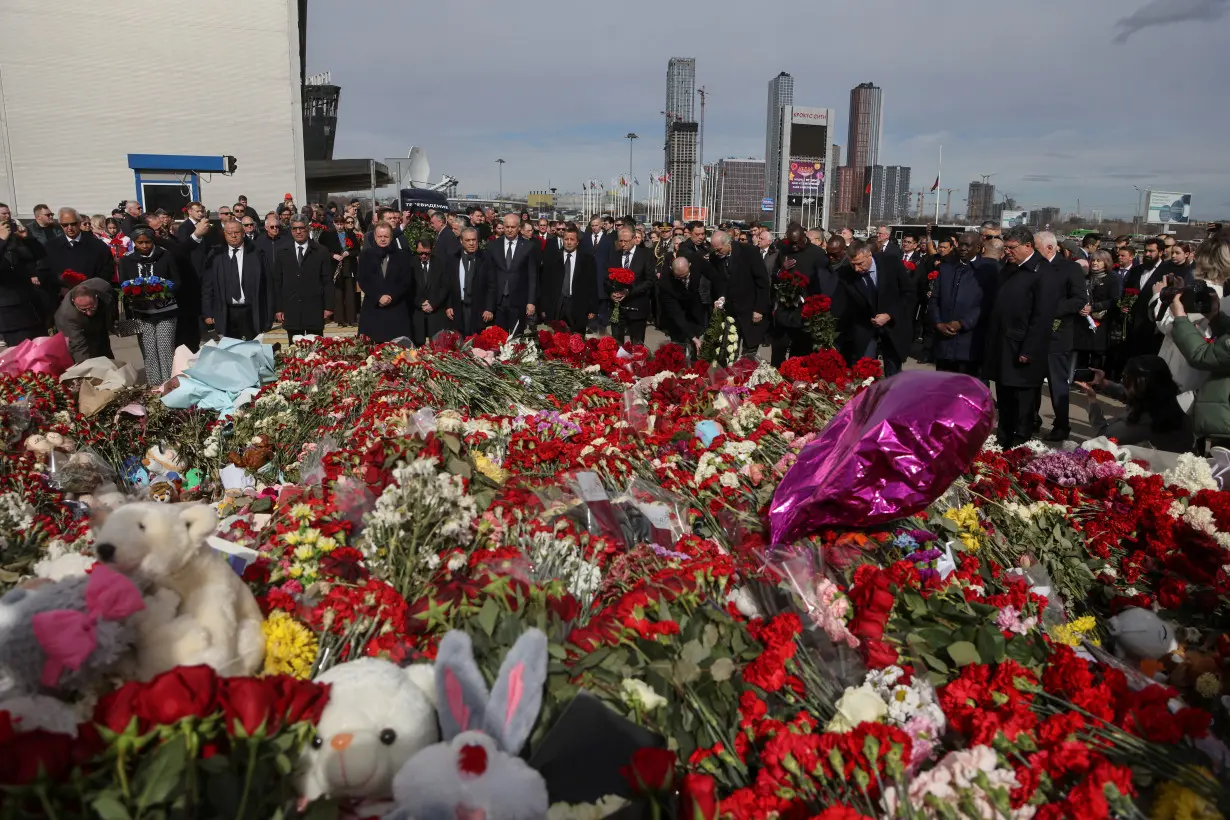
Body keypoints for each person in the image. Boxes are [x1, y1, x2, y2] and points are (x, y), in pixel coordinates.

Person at [981, 227, 1057, 448]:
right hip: (1003, 344)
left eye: (1012, 248)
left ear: (1028, 246)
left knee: (1023, 402)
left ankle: (1020, 444)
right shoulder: (1009, 268)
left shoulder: (1043, 273)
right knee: (1004, 398)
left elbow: (1042, 317)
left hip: (1023, 348)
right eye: (1006, 248)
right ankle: (1003, 440)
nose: (1008, 252)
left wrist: (1029, 350)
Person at [1034, 231, 1089, 441]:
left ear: (1050, 248)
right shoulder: (1034, 266)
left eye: (1036, 247)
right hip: (1034, 333)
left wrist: (1049, 309)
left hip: (1057, 334)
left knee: (1057, 383)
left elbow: (1079, 300)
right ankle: (1032, 419)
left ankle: (1061, 425)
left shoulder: (1069, 268)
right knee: (1032, 381)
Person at [1076, 358, 1192, 452]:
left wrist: (1092, 401)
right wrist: (1103, 383)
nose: (1122, 381)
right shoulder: (1167, 401)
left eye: (1126, 379)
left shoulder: (1143, 423)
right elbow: (1129, 394)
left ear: (1141, 386)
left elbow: (1103, 436)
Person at [837, 240, 911, 375]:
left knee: (893, 373)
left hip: (892, 326)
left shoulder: (891, 263)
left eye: (860, 264)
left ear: (869, 254)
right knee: (864, 372)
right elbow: (843, 305)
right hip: (865, 328)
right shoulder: (845, 274)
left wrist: (889, 314)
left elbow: (907, 293)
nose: (857, 269)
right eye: (853, 265)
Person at [928, 232, 993, 376]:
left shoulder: (987, 271)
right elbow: (934, 299)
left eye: (967, 245)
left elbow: (986, 304)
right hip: (944, 341)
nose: (963, 248)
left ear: (978, 247)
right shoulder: (946, 268)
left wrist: (963, 323)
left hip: (969, 343)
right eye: (961, 244)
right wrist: (938, 322)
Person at [119, 228, 178, 385]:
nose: (144, 245)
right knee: (149, 351)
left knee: (165, 349)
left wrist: (163, 289)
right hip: (141, 313)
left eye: (148, 242)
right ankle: (155, 386)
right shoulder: (126, 260)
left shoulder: (165, 256)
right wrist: (132, 292)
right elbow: (123, 284)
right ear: (134, 243)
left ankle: (169, 385)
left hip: (165, 311)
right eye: (140, 242)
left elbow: (177, 281)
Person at [202, 219, 270, 341]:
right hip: (226, 311)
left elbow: (268, 284)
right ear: (224, 234)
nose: (233, 236)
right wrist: (208, 312)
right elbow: (208, 286)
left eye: (237, 232)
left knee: (251, 350)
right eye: (229, 233)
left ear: (243, 232)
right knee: (229, 351)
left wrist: (269, 312)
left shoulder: (257, 253)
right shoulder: (215, 255)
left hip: (250, 309)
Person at [272, 215, 333, 339]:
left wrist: (329, 306)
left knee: (316, 351)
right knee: (294, 352)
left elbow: (327, 281)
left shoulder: (321, 251)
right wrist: (278, 308)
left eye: (301, 228)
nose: (298, 232)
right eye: (294, 229)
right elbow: (277, 282)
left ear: (308, 228)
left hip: (314, 307)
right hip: (291, 308)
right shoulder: (282, 251)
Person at [709, 230, 769, 353]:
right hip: (730, 310)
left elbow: (762, 282)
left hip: (750, 309)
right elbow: (719, 281)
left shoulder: (749, 252)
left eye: (719, 249)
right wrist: (720, 297)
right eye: (714, 250)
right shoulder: (715, 257)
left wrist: (759, 309)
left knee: (749, 350)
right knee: (729, 350)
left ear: (728, 243)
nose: (717, 253)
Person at [356, 223, 414, 344]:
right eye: (380, 236)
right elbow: (363, 280)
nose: (382, 239)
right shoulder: (366, 255)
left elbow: (406, 280)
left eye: (386, 236)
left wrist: (390, 297)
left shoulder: (403, 255)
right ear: (375, 237)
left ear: (391, 237)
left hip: (396, 308)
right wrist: (378, 297)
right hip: (373, 307)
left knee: (398, 352)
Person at [539, 223, 597, 333]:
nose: (569, 242)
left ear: (577, 241)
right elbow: (545, 284)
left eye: (572, 239)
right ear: (562, 240)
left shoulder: (587, 260)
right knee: (556, 340)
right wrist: (543, 307)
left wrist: (592, 308)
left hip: (578, 304)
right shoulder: (553, 258)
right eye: (566, 239)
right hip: (557, 304)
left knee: (577, 340)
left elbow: (592, 284)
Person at [485, 214, 538, 334]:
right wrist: (489, 305)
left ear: (519, 228)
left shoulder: (528, 247)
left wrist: (531, 302)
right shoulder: (494, 245)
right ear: (503, 227)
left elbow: (532, 277)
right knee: (498, 338)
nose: (509, 230)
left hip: (518, 300)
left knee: (516, 338)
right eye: (507, 226)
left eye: (513, 227)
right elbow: (490, 276)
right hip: (499, 300)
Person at [0, 216, 47, 346]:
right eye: (2, 216)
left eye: (8, 215)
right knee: (22, 356)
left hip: (31, 306)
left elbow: (39, 254)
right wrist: (1, 240)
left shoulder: (14, 242)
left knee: (43, 351)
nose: (6, 219)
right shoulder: (3, 241)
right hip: (11, 313)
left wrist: (28, 238)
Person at [1072, 249, 1122, 374]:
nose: (1095, 263)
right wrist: (1080, 307)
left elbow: (1115, 300)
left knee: (1096, 352)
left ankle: (1094, 380)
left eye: (1098, 261)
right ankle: (1080, 378)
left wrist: (1094, 307)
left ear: (1106, 262)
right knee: (1082, 350)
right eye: (1093, 260)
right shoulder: (1086, 277)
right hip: (1083, 319)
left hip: (1100, 320)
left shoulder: (1112, 278)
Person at [441, 227, 492, 336]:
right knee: (458, 342)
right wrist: (448, 305)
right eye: (468, 240)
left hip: (478, 309)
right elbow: (447, 285)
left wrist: (489, 308)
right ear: (461, 241)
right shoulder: (453, 258)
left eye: (474, 240)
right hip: (458, 308)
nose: (471, 243)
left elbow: (491, 285)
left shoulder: (486, 258)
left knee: (476, 342)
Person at [45, 207, 114, 286]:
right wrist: (60, 289)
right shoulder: (51, 246)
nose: (69, 228)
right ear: (60, 225)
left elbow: (107, 270)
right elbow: (46, 272)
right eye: (65, 225)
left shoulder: (98, 246)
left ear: (79, 222)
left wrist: (92, 288)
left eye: (73, 224)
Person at [608, 226, 654, 345]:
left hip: (637, 307)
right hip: (617, 308)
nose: (623, 244)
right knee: (617, 346)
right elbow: (606, 278)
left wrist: (629, 292)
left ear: (634, 239)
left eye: (626, 241)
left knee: (637, 346)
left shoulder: (646, 255)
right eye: (620, 241)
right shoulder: (614, 255)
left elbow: (650, 280)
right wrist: (611, 293)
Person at [55, 280, 114, 362]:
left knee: (104, 348)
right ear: (74, 302)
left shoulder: (103, 288)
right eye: (83, 309)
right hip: (76, 325)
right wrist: (86, 369)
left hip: (99, 320)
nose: (89, 313)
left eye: (91, 307)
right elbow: (78, 347)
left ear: (96, 297)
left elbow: (110, 302)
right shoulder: (66, 315)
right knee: (88, 353)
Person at [659, 256, 707, 355]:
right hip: (676, 320)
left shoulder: (697, 266)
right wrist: (692, 337)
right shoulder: (665, 283)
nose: (682, 279)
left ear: (689, 266)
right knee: (678, 351)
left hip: (695, 314)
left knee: (697, 350)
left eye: (685, 276)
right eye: (678, 277)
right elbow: (677, 314)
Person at [319, 216, 359, 326]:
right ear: (334, 223)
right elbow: (322, 250)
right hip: (335, 267)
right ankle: (340, 319)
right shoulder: (327, 235)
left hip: (348, 266)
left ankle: (351, 318)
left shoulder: (350, 234)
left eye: (342, 224)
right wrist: (333, 255)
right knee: (338, 293)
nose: (340, 226)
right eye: (338, 224)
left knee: (350, 292)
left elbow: (357, 250)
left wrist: (349, 253)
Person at [409, 238, 447, 344]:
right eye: (421, 253)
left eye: (427, 253)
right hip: (417, 311)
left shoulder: (440, 264)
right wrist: (420, 302)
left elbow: (444, 287)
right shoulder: (410, 264)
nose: (424, 256)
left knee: (437, 345)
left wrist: (433, 304)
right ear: (416, 250)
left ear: (431, 250)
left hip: (435, 311)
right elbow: (408, 288)